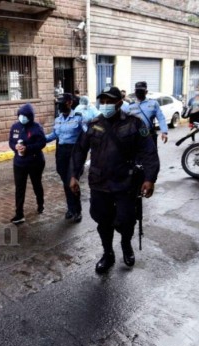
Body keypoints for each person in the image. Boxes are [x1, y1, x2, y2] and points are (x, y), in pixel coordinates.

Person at [69, 86, 160, 274]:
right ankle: (108, 254)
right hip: (99, 183)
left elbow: (149, 152)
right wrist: (73, 176)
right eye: (102, 101)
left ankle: (126, 245)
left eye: (109, 101)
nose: (105, 105)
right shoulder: (94, 124)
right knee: (103, 221)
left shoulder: (135, 124)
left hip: (125, 184)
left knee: (126, 221)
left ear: (119, 103)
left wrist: (150, 178)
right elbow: (79, 150)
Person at [46, 93, 84, 223]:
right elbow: (54, 135)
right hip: (61, 152)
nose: (59, 105)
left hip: (74, 152)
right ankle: (70, 208)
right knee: (65, 182)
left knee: (72, 181)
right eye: (58, 103)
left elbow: (85, 135)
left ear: (69, 103)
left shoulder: (78, 118)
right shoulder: (58, 119)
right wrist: (40, 139)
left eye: (62, 103)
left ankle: (77, 210)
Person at [8, 103, 47, 224]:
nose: (22, 117)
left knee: (37, 184)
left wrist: (28, 148)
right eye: (21, 115)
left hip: (35, 162)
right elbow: (10, 141)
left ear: (30, 116)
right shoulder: (15, 127)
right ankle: (19, 214)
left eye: (25, 115)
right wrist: (15, 147)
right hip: (19, 163)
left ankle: (40, 204)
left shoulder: (37, 127)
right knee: (19, 188)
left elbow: (42, 143)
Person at [126, 81, 168, 146]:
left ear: (146, 92)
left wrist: (164, 132)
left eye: (141, 91)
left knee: (151, 155)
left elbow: (161, 118)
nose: (139, 93)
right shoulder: (130, 106)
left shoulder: (153, 103)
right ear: (135, 92)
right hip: (135, 137)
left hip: (149, 136)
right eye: (137, 91)